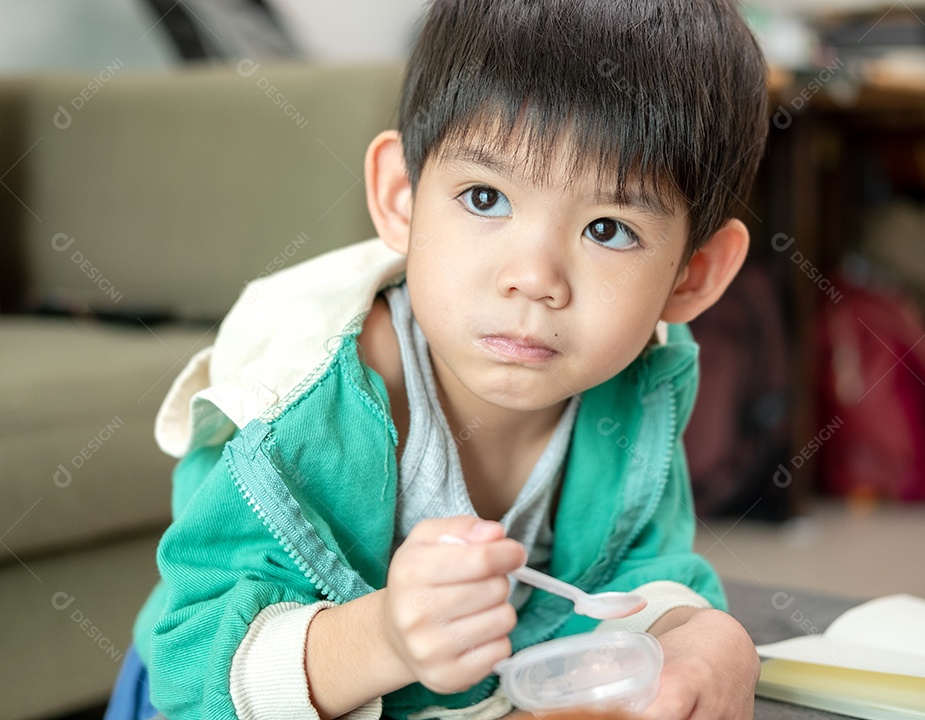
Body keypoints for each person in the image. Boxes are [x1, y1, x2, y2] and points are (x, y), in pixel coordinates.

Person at [106, 0, 769, 718]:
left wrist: (704, 636)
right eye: (486, 198)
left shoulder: (638, 383)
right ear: (402, 198)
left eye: (608, 229)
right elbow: (194, 669)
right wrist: (384, 639)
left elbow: (642, 576)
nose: (533, 278)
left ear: (693, 275)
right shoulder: (302, 401)